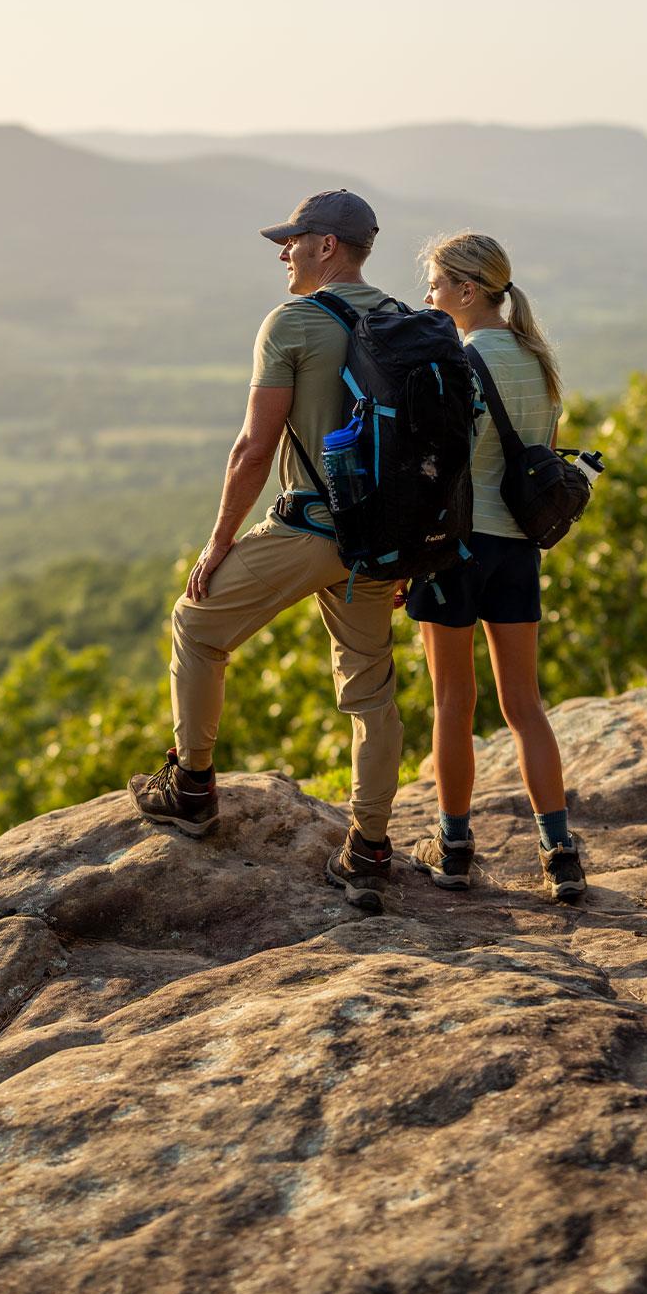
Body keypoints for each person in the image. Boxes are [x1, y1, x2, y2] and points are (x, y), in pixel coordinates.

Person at [128, 189, 407, 913]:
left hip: (311, 529)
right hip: (381, 540)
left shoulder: (294, 321)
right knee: (371, 692)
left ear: (327, 246)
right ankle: (370, 850)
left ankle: (191, 788)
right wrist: (413, 546)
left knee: (196, 623)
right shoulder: (407, 321)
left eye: (295, 239)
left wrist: (219, 541)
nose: (284, 253)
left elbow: (255, 446)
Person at [405, 231, 586, 903]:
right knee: (525, 706)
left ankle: (454, 848)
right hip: (515, 549)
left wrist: (406, 559)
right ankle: (559, 852)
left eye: (434, 284)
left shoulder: (462, 360)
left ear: (466, 290)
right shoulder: (537, 360)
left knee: (453, 702)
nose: (427, 296)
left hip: (455, 544)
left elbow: (441, 468)